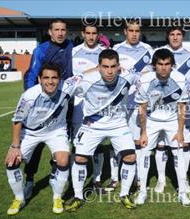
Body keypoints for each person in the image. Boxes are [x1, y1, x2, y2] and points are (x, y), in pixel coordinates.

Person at [65, 49, 138, 210]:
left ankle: (124, 194)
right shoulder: (86, 81)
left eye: (113, 66)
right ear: (98, 67)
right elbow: (64, 89)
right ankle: (78, 197)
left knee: (130, 157)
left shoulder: (128, 77)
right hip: (93, 125)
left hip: (118, 125)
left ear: (119, 66)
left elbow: (144, 77)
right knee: (80, 159)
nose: (110, 71)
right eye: (105, 66)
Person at [5, 62, 80, 215]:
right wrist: (15, 146)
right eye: (46, 77)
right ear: (39, 79)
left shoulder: (66, 87)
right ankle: (19, 198)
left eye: (54, 78)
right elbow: (17, 120)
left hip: (56, 131)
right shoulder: (29, 96)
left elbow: (85, 75)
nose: (50, 81)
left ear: (60, 79)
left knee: (63, 160)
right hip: (30, 133)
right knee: (11, 163)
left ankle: (57, 197)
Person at [22, 19, 74, 200]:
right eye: (56, 30)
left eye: (63, 30)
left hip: (64, 104)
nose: (60, 33)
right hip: (41, 105)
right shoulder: (41, 50)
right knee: (36, 144)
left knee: (61, 140)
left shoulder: (72, 47)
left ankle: (54, 170)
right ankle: (29, 179)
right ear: (50, 32)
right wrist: (31, 100)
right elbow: (31, 75)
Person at [135, 48, 190, 206]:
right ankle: (142, 192)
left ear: (172, 65)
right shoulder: (145, 80)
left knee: (178, 153)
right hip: (152, 120)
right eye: (160, 64)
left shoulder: (181, 79)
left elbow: (182, 108)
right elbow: (142, 109)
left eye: (167, 64)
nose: (164, 67)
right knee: (144, 152)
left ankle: (182, 193)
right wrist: (144, 132)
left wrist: (180, 132)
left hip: (173, 120)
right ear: (154, 66)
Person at [111, 19, 153, 191]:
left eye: (137, 30)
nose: (134, 33)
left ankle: (136, 176)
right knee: (116, 141)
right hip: (119, 104)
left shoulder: (148, 50)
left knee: (137, 142)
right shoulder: (116, 50)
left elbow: (151, 75)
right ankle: (114, 178)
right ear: (125, 31)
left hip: (138, 104)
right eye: (131, 30)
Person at [71, 24, 106, 192]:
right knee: (78, 143)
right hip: (78, 103)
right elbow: (71, 78)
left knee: (98, 144)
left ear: (98, 35)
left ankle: (97, 179)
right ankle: (76, 179)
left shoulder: (104, 52)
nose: (91, 36)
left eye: (94, 33)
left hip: (98, 104)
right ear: (82, 34)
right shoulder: (74, 51)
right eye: (88, 33)